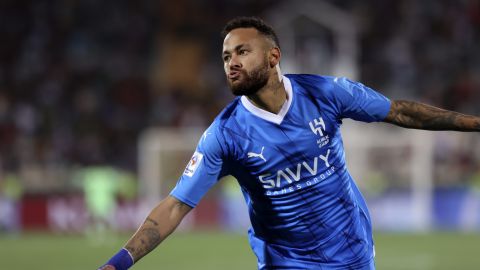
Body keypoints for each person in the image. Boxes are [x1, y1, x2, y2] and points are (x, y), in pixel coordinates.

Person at [99, 17, 480, 270]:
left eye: (242, 52)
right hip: (285, 262)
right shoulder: (225, 134)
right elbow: (175, 206)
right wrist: (117, 263)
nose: (231, 62)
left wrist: (474, 124)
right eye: (226, 56)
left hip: (352, 252)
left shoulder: (326, 93)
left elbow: (400, 112)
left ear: (274, 56)